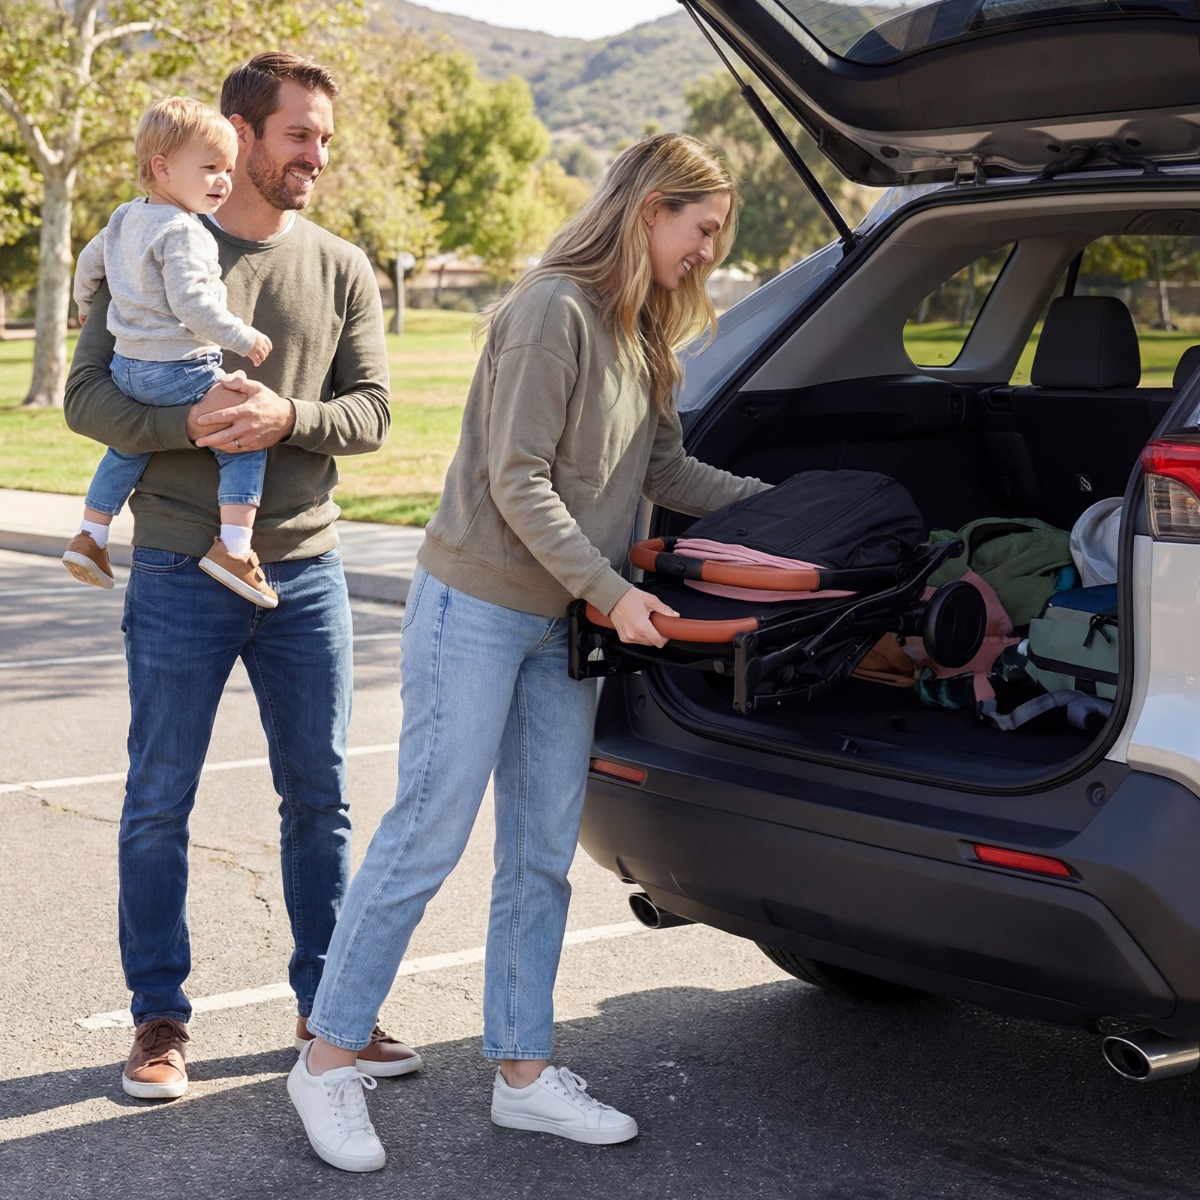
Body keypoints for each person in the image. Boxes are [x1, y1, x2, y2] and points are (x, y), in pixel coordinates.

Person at [286, 132, 769, 1173]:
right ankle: (326, 1060)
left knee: (542, 853)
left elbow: (671, 470)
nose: (707, 251)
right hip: (480, 604)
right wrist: (615, 591)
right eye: (702, 228)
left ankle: (523, 1075)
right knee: (428, 829)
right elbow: (518, 478)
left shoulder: (644, 333)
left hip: (567, 623)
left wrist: (797, 519)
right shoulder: (553, 311)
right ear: (650, 209)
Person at [63, 51, 419, 1101]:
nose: (316, 153)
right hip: (180, 566)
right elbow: (86, 400)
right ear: (240, 134)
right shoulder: (153, 242)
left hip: (307, 572)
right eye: (298, 133)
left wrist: (286, 418)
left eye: (323, 136)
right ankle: (159, 1023)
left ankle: (332, 1008)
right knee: (157, 802)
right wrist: (191, 423)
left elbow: (373, 411)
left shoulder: (342, 265)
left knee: (323, 800)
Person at [66, 96, 278, 607]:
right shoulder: (185, 231)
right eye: (209, 169)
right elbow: (192, 304)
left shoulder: (124, 217)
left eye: (228, 169)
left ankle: (90, 536)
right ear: (161, 168)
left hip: (129, 369)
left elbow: (88, 263)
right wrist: (242, 337)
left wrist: (80, 302)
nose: (223, 180)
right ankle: (233, 547)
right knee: (244, 430)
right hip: (178, 367)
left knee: (129, 447)